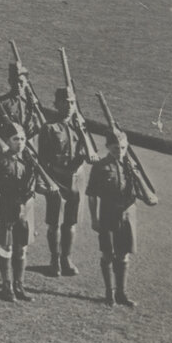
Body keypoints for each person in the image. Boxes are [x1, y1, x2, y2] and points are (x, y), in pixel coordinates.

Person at [86, 130, 155, 307]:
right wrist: (94, 219)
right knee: (108, 254)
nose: (120, 151)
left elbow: (143, 192)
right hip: (108, 213)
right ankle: (109, 293)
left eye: (123, 148)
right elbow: (92, 195)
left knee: (124, 254)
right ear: (108, 147)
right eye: (116, 148)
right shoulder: (100, 166)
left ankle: (121, 293)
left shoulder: (131, 166)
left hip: (128, 214)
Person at [0, 122, 53, 302]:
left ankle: (19, 284)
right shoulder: (0, 160)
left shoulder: (31, 160)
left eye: (23, 139)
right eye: (15, 139)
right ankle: (6, 285)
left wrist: (48, 189)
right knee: (6, 246)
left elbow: (38, 185)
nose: (20, 142)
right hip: (7, 206)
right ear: (8, 140)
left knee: (22, 247)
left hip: (26, 209)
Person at [38, 88, 97, 277]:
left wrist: (82, 131)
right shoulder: (49, 128)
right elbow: (42, 160)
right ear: (57, 104)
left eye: (72, 102)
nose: (70, 106)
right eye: (65, 102)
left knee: (71, 222)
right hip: (57, 178)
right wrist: (46, 182)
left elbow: (91, 155)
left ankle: (66, 258)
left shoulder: (80, 126)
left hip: (76, 179)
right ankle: (54, 259)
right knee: (54, 222)